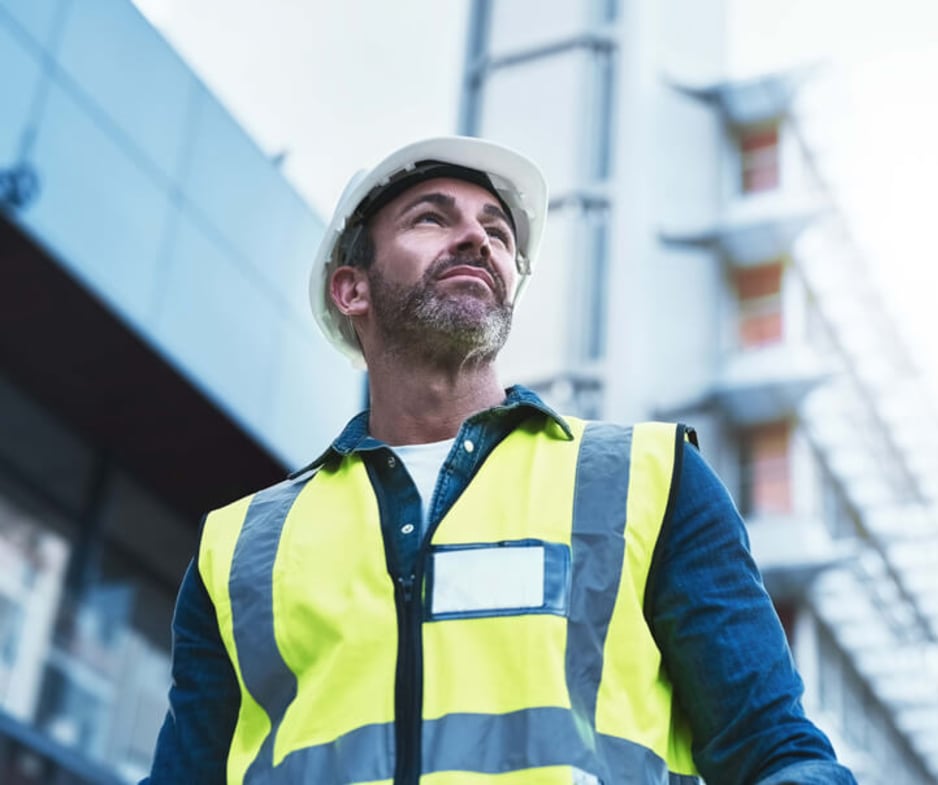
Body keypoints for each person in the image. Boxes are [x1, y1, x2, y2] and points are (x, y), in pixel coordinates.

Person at [143, 136, 856, 785]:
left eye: (497, 231)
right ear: (351, 288)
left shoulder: (647, 480)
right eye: (431, 218)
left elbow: (775, 750)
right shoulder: (240, 550)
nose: (477, 239)